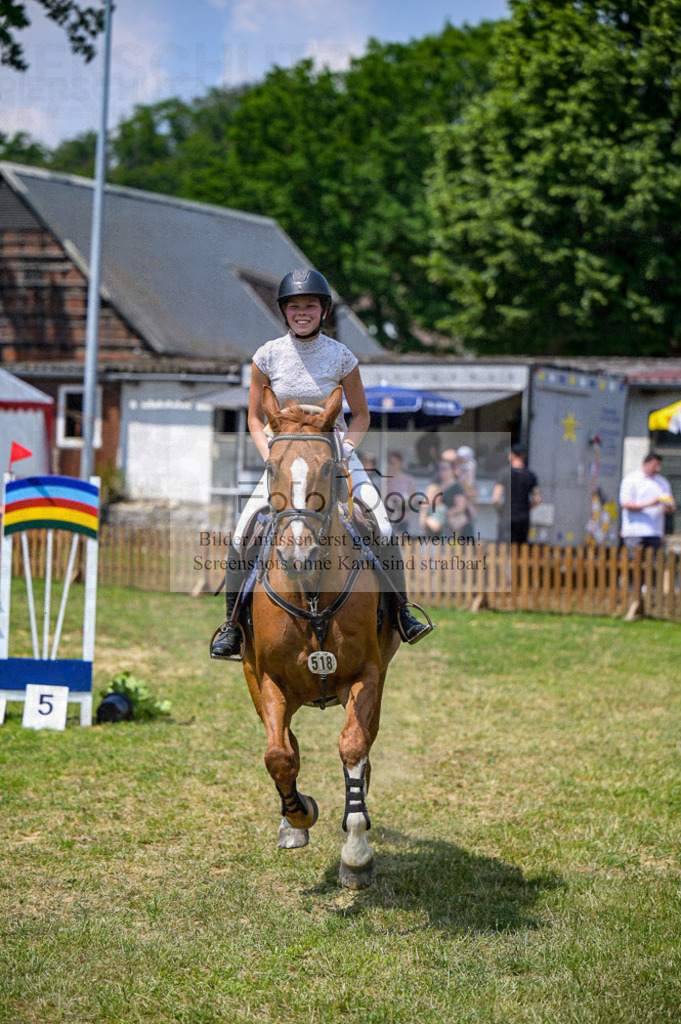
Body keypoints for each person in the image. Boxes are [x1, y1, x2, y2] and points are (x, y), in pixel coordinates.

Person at [210, 268, 431, 658]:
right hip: (285, 461)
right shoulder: (266, 356)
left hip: (334, 457)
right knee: (242, 532)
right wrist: (270, 456)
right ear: (284, 311)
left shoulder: (342, 357)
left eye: (310, 305)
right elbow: (254, 419)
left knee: (382, 526)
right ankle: (232, 626)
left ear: (323, 311)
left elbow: (361, 415)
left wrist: (344, 450)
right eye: (294, 306)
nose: (302, 312)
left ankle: (402, 613)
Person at [619, 452, 676, 557]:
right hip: (635, 531)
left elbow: (671, 508)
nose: (658, 469)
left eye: (659, 465)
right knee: (634, 562)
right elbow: (626, 505)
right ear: (646, 463)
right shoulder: (631, 479)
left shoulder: (663, 482)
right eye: (655, 465)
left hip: (655, 532)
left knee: (653, 563)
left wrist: (669, 507)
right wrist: (652, 503)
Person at [492, 444, 541, 544]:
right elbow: (538, 499)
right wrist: (526, 508)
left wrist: (501, 512)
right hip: (523, 518)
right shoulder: (531, 475)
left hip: (507, 516)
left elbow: (495, 499)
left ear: (512, 455)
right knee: (520, 549)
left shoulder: (504, 473)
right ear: (523, 456)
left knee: (504, 548)